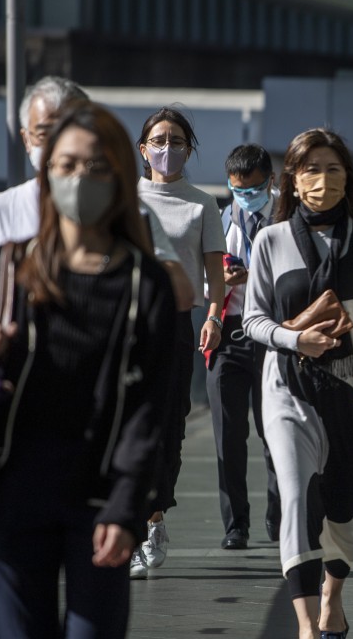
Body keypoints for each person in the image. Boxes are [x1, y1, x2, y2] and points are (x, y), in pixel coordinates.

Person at [0, 101, 176, 638]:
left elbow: (150, 411)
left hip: (101, 499)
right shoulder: (7, 266)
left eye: (96, 166)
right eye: (66, 164)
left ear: (120, 176)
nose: (79, 178)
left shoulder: (144, 284)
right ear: (46, 174)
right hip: (11, 492)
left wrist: (126, 510)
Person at [242, 128, 353, 639]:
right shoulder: (270, 239)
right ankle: (307, 626)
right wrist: (292, 340)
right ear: (293, 178)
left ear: (347, 176)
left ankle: (333, 598)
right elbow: (253, 320)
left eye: (333, 169)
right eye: (311, 169)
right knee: (299, 500)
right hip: (286, 390)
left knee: (344, 507)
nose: (323, 180)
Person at [0, 76, 191, 328]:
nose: (58, 144)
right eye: (45, 133)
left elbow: (179, 295)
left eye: (69, 130)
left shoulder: (131, 210)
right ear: (26, 138)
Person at [134, 106, 227, 578]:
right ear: (142, 146)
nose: (167, 149)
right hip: (126, 324)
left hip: (175, 324)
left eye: (177, 141)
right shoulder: (123, 199)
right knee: (126, 421)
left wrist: (212, 315)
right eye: (159, 139)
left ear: (189, 149)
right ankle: (128, 527)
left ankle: (154, 517)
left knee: (170, 423)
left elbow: (214, 270)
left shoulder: (201, 203)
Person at [204, 144, 281, 549]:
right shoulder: (220, 219)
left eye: (252, 188)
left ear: (271, 181)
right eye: (237, 189)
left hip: (274, 334)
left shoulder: (289, 218)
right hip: (230, 333)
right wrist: (218, 286)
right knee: (228, 436)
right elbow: (206, 279)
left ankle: (278, 512)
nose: (245, 195)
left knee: (275, 432)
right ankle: (236, 524)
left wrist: (251, 274)